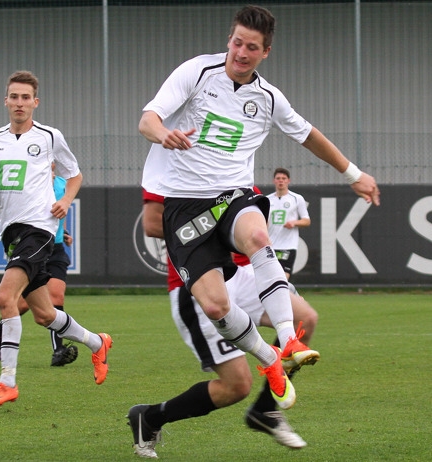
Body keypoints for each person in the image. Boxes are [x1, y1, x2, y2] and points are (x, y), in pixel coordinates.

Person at [133, 4, 379, 457]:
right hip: (187, 213)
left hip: (231, 199)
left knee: (282, 275)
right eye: (236, 42)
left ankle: (280, 362)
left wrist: (353, 173)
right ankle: (158, 412)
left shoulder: (268, 98)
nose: (241, 53)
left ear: (266, 52)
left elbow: (308, 135)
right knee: (231, 377)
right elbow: (149, 117)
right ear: (229, 39)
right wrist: (162, 133)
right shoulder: (196, 72)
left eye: (252, 47)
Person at [0, 70, 112, 406]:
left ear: (35, 102)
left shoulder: (51, 137)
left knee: (4, 298)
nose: (20, 103)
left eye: (26, 97)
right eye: (14, 97)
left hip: (39, 228)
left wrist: (65, 201)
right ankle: (98, 343)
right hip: (9, 231)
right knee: (44, 314)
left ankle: (7, 381)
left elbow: (75, 174)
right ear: (6, 101)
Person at [130, 191, 318, 457]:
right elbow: (151, 224)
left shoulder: (234, 163)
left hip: (243, 273)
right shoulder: (174, 164)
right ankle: (149, 417)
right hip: (199, 283)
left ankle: (265, 409)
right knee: (237, 386)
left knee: (305, 319)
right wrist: (215, 228)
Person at [0, 169, 79, 367]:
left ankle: (58, 350)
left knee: (56, 297)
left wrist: (65, 232)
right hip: (33, 247)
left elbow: (56, 213)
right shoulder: (30, 181)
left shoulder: (63, 184)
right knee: (22, 305)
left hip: (56, 247)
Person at [267, 168, 311, 279]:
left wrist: (294, 222)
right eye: (278, 178)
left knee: (284, 277)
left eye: (283, 178)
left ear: (288, 181)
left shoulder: (297, 198)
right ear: (274, 181)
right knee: (270, 277)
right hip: (270, 245)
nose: (281, 181)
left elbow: (306, 220)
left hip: (288, 245)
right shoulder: (267, 200)